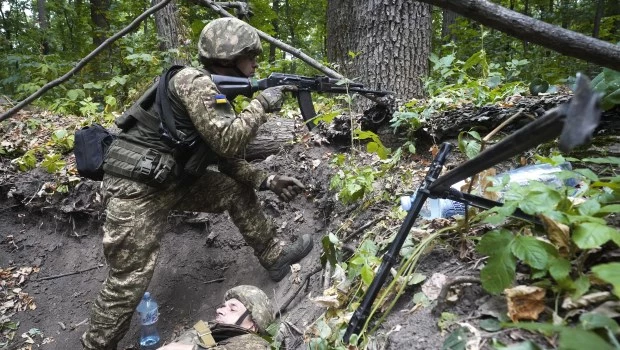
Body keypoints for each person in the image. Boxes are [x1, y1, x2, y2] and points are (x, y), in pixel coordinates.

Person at [81, 17, 313, 350]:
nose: (256, 64)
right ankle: (97, 345)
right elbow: (230, 141)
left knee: (233, 190)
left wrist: (268, 179)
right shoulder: (195, 82)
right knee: (128, 281)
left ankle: (274, 256)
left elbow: (228, 161)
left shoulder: (216, 95)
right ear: (228, 55)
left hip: (170, 181)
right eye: (251, 55)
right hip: (134, 192)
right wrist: (262, 103)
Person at [159, 285, 274, 350]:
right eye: (223, 306)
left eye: (233, 309)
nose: (219, 310)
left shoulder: (257, 345)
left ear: (252, 326)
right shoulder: (203, 329)